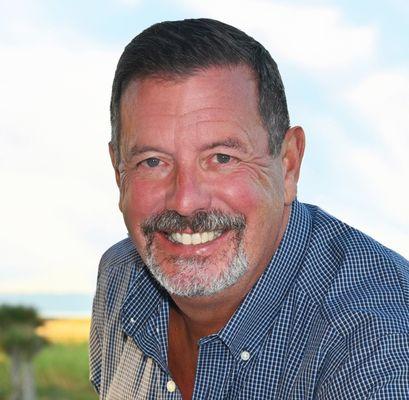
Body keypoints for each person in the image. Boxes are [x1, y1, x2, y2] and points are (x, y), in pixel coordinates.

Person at [89, 18, 409, 399]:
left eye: (222, 158)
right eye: (153, 162)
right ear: (119, 172)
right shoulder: (120, 277)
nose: (186, 201)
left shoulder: (376, 350)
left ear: (288, 164)